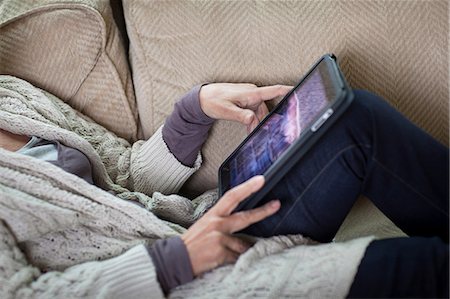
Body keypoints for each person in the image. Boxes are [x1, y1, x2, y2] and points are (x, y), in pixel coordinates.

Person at [0, 75, 448, 298]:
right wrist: (175, 260)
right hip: (175, 283)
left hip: (197, 228)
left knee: (353, 118)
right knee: (428, 266)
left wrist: (194, 110)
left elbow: (125, 172)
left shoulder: (10, 97)